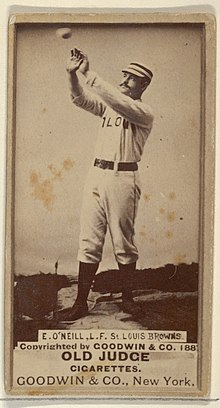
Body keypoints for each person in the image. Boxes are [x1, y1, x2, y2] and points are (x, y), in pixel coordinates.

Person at [58, 48, 154, 321]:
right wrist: (73, 74)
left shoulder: (142, 112)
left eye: (132, 78)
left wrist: (90, 74)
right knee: (89, 240)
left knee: (123, 243)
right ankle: (80, 303)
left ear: (144, 84)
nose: (124, 79)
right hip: (97, 174)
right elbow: (80, 99)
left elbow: (116, 100)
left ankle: (127, 299)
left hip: (124, 178)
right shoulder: (110, 105)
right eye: (124, 74)